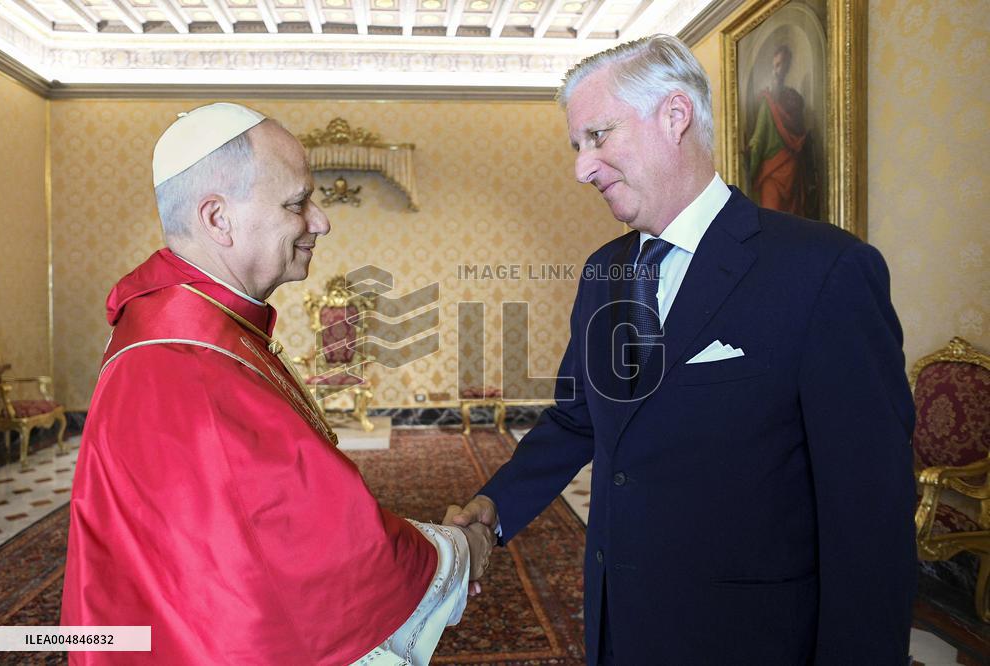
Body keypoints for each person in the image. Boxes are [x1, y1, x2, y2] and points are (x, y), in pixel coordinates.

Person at [446, 35, 916, 665]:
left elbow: (869, 516)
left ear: (675, 116)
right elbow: (577, 418)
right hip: (619, 629)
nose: (582, 168)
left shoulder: (824, 272)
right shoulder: (603, 272)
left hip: (749, 640)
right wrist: (494, 507)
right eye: (576, 146)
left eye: (598, 136)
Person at [61, 103, 493, 665]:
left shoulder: (188, 321)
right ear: (218, 218)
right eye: (296, 203)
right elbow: (313, 548)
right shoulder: (188, 357)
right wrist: (463, 551)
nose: (321, 221)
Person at [747, 43, 817, 217]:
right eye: (774, 66)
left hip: (776, 173)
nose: (776, 71)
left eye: (780, 65)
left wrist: (749, 160)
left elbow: (758, 140)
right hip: (788, 170)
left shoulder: (772, 101)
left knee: (778, 229)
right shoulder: (792, 100)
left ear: (787, 67)